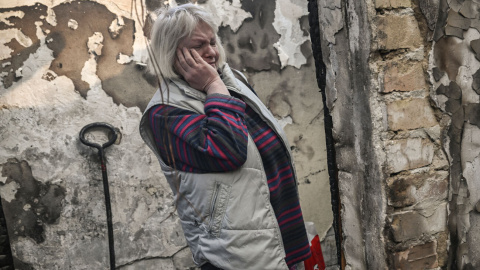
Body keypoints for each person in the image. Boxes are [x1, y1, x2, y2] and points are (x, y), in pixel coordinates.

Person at [139, 4, 311, 270]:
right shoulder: (164, 113)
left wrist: (218, 85)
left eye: (212, 42)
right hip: (236, 255)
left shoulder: (233, 81)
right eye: (198, 47)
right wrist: (213, 87)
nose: (212, 52)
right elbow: (227, 152)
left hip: (280, 237)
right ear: (172, 53)